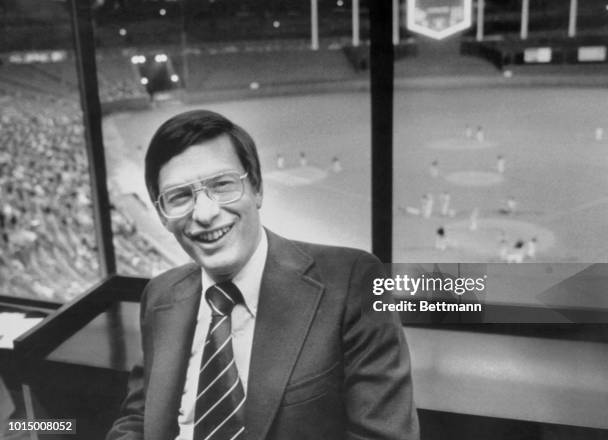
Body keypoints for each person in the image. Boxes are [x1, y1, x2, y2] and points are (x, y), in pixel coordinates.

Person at [106, 110, 419, 440]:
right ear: (161, 213)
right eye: (180, 196)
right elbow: (138, 418)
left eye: (223, 184)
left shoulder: (352, 282)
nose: (206, 213)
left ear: (256, 188)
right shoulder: (160, 295)